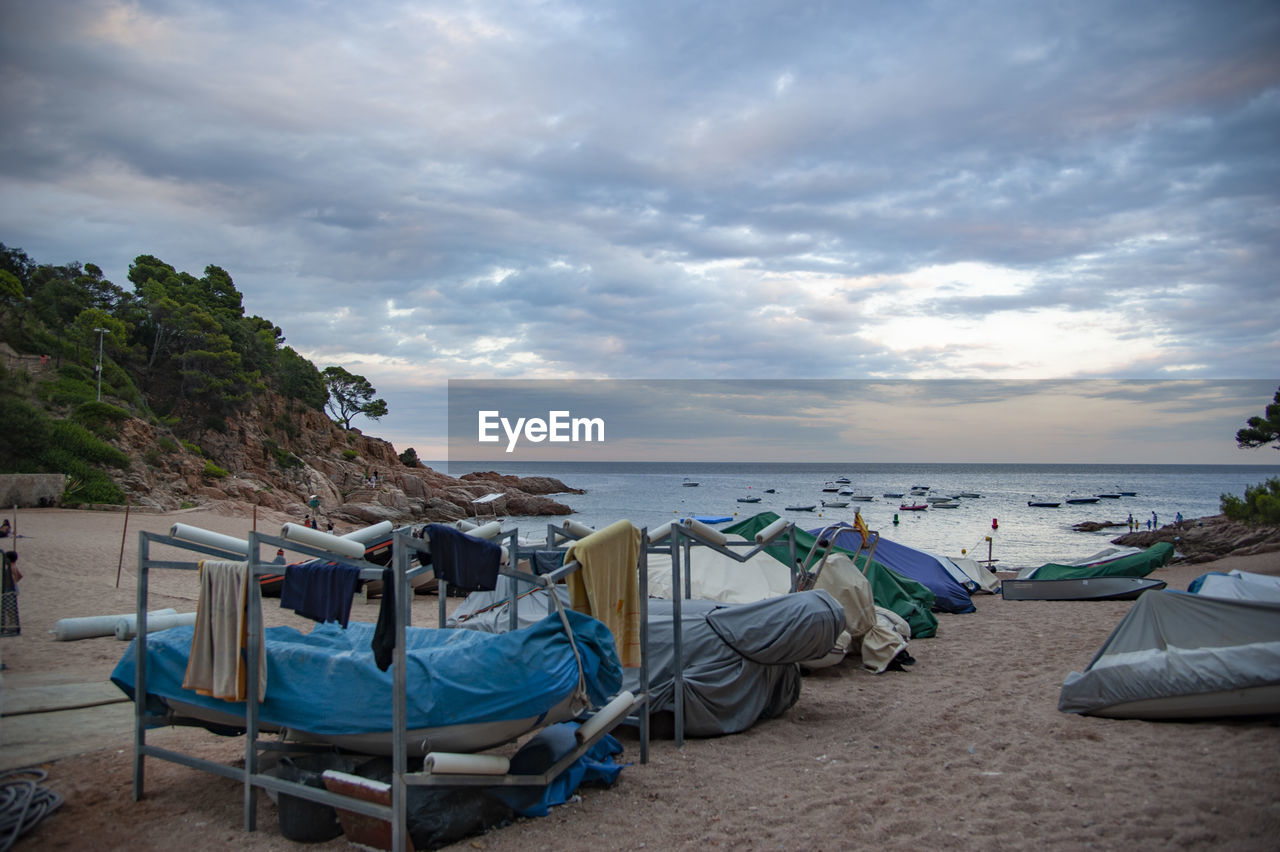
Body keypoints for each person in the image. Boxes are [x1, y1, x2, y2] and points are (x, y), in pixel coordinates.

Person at [1, 550, 20, 637]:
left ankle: (8, 622)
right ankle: (10, 620)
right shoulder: (14, 566)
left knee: (7, 606)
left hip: (10, 588)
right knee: (11, 605)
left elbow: (11, 578)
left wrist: (12, 582)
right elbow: (20, 575)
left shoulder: (10, 567)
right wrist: (16, 582)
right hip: (14, 587)